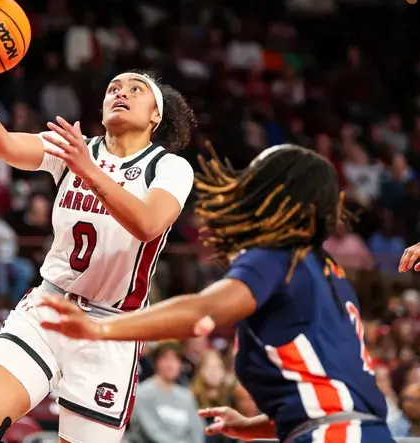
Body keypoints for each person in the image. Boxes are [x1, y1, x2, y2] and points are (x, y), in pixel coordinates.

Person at [0, 31, 196, 443]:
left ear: (155, 117)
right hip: (49, 307)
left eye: (135, 89)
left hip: (111, 327)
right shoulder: (78, 148)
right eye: (114, 87)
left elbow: (149, 224)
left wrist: (89, 171)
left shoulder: (169, 167)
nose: (121, 92)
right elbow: (3, 145)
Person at [39, 144, 394, 443]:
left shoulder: (279, 257)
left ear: (273, 192)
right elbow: (335, 391)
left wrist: (100, 329)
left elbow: (202, 313)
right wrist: (254, 427)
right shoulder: (327, 271)